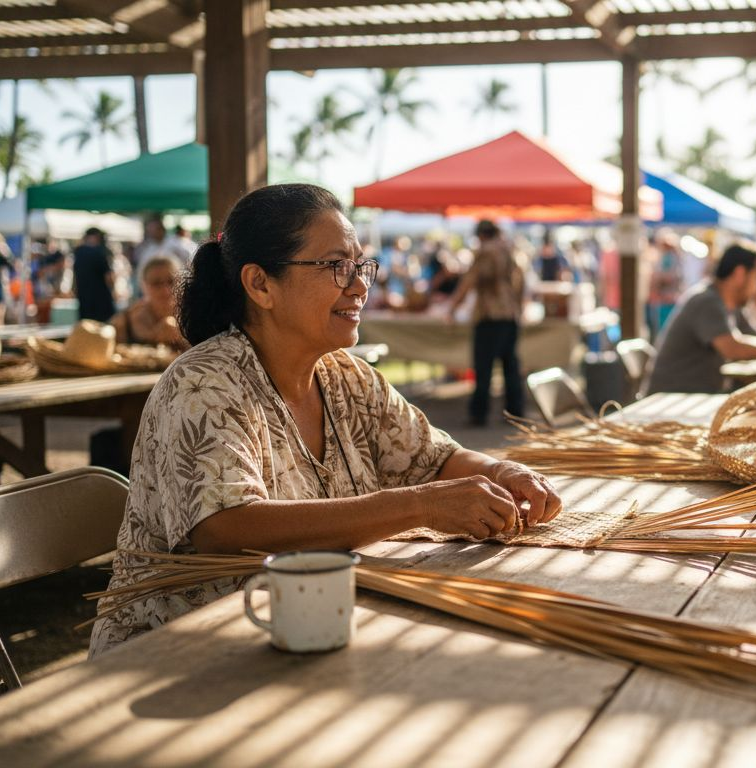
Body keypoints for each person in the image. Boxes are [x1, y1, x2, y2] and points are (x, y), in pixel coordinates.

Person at [89, 184, 561, 656]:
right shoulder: (202, 384)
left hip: (300, 631)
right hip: (180, 654)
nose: (358, 285)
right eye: (336, 266)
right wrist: (421, 507)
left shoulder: (346, 378)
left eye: (359, 266)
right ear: (260, 285)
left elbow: (435, 459)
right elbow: (225, 526)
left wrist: (505, 473)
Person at [647, 244, 756, 395]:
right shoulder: (707, 300)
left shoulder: (732, 305)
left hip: (695, 396)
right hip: (673, 400)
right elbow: (733, 348)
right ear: (740, 274)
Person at [450, 219, 527, 426]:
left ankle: (479, 413)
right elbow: (521, 283)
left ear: (481, 235)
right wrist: (518, 308)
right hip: (510, 316)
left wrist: (453, 307)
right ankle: (515, 412)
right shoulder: (510, 251)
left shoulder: (485, 252)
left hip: (489, 316)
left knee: (483, 368)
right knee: (510, 366)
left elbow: (468, 281)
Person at [111, 254, 188, 350]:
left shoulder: (192, 319)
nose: (165, 290)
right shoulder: (125, 322)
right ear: (143, 286)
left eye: (171, 281)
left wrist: (181, 337)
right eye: (156, 283)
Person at [72, 226, 117, 322]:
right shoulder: (99, 252)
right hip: (100, 300)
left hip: (84, 299)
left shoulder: (78, 252)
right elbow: (109, 277)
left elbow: (75, 277)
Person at [646, 229, 682, 334]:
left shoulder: (670, 258)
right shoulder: (666, 257)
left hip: (666, 300)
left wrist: (657, 279)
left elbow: (669, 277)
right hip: (663, 300)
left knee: (665, 330)